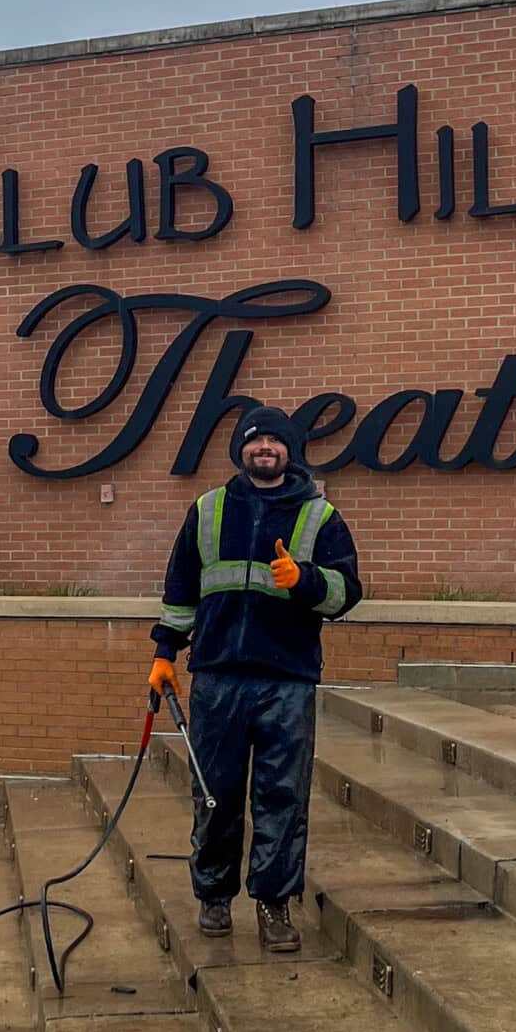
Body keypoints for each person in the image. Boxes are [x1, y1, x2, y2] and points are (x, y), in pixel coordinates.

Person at [147, 405, 363, 952]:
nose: (264, 448)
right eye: (254, 440)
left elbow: (347, 594)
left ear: (290, 452)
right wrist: (165, 652)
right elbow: (181, 587)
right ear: (240, 452)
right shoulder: (208, 510)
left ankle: (273, 903)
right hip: (218, 675)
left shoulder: (321, 517)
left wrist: (306, 580)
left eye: (274, 441)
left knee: (282, 797)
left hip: (285, 680)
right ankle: (214, 896)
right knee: (215, 794)